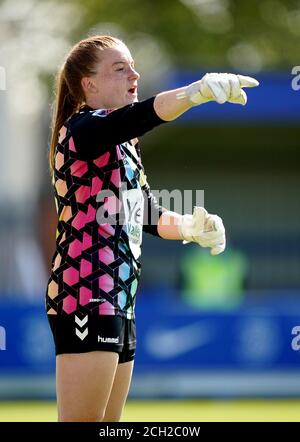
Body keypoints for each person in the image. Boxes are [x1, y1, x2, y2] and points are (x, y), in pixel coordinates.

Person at [46, 35, 258, 422]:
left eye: (132, 66)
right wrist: (196, 93)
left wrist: (192, 228)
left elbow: (143, 213)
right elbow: (142, 114)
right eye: (120, 68)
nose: (134, 74)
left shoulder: (125, 143)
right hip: (86, 292)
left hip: (120, 298)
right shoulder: (82, 129)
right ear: (88, 84)